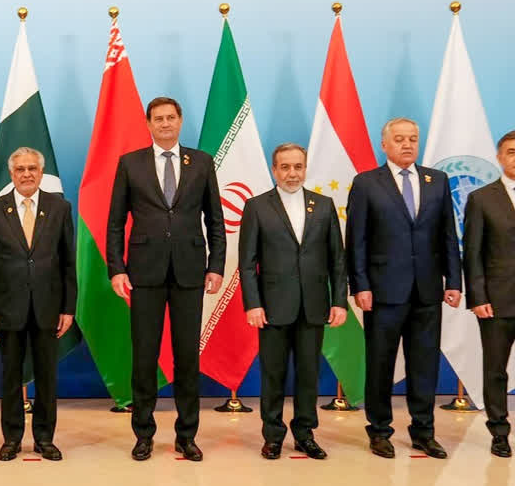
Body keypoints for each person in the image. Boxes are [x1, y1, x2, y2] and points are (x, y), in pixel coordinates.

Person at [106, 97, 226, 462]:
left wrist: (216, 266)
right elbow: (114, 224)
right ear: (148, 124)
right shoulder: (131, 164)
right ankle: (143, 434)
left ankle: (186, 435)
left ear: (180, 121)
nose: (165, 124)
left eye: (171, 117)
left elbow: (216, 222)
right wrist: (117, 268)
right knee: (144, 357)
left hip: (190, 272)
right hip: (144, 273)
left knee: (187, 358)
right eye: (158, 119)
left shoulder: (202, 163)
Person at [345, 117, 462, 459]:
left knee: (424, 364)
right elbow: (357, 241)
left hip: (427, 290)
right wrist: (360, 285)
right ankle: (379, 430)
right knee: (380, 364)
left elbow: (448, 236)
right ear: (385, 144)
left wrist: (453, 281)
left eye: (412, 138)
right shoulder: (367, 183)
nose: (407, 144)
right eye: (399, 139)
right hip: (383, 292)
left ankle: (423, 431)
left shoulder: (437, 180)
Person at [239, 143, 347, 460]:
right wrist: (253, 303)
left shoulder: (324, 206)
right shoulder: (257, 206)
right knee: (272, 374)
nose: (292, 173)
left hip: (314, 305)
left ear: (305, 168)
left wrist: (339, 301)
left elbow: (337, 260)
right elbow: (247, 263)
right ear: (275, 170)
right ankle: (272, 435)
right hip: (272, 306)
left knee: (308, 373)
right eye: (285, 167)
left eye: (297, 166)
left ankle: (304, 433)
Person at [0, 147, 76, 462]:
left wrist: (68, 308)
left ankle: (45, 439)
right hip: (8, 309)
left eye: (32, 168)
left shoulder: (59, 207)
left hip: (49, 307)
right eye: (20, 169)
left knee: (47, 377)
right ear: (12, 174)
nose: (26, 174)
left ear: (41, 172)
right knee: (11, 377)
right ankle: (12, 438)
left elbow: (68, 263)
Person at [463, 130, 515, 458]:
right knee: (495, 369)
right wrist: (478, 297)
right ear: (499, 157)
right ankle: (499, 431)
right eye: (511, 152)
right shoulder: (482, 198)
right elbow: (473, 253)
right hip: (497, 301)